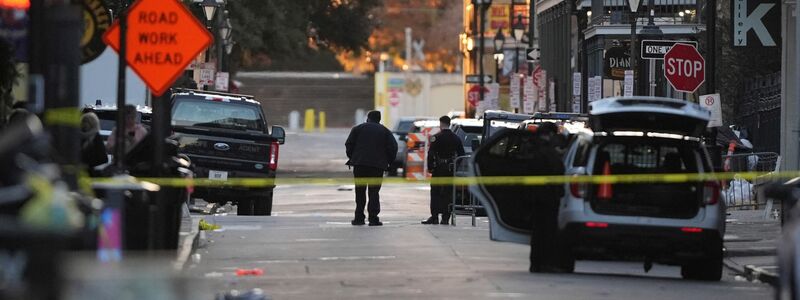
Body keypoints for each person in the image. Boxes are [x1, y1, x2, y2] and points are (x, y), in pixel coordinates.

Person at [345, 110, 397, 226]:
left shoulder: (357, 129)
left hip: (360, 165)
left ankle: (359, 218)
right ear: (379, 119)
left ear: (368, 118)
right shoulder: (385, 131)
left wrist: (354, 157)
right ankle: (373, 219)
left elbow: (349, 144)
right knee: (374, 192)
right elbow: (393, 147)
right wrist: (388, 162)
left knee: (360, 192)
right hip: (377, 166)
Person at [422, 116, 464, 225]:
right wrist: (455, 166)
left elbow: (430, 154)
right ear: (449, 124)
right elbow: (462, 155)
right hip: (450, 169)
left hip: (438, 169)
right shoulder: (456, 138)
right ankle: (445, 218)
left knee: (435, 192)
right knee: (448, 193)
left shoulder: (436, 137)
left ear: (441, 124)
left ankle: (434, 217)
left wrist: (430, 167)